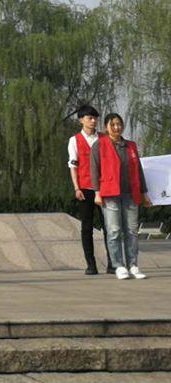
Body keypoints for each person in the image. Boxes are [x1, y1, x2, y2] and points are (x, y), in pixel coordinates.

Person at [91, 112, 152, 280]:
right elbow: (94, 170)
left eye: (119, 124)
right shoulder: (99, 144)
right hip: (110, 194)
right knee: (114, 230)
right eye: (113, 124)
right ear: (106, 127)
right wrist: (97, 193)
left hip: (130, 193)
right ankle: (118, 266)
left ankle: (133, 265)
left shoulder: (131, 145)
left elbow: (138, 170)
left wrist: (144, 193)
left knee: (131, 231)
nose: (116, 127)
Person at [67, 104, 112, 275]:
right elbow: (73, 166)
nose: (93, 121)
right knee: (87, 228)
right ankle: (91, 264)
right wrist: (76, 188)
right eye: (90, 118)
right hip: (85, 188)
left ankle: (112, 263)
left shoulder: (105, 138)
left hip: (105, 188)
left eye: (95, 118)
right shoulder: (74, 140)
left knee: (109, 227)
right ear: (81, 120)